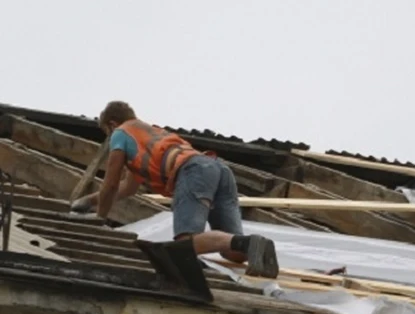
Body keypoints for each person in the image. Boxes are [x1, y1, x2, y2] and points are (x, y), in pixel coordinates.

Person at [71, 100, 280, 279]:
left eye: (107, 133)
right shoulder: (147, 135)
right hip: (218, 169)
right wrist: (91, 200)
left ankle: (250, 243)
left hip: (192, 170)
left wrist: (100, 219)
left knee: (185, 244)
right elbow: (126, 188)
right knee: (232, 253)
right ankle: (255, 248)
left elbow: (111, 183)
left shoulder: (120, 133)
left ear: (111, 124)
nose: (110, 138)